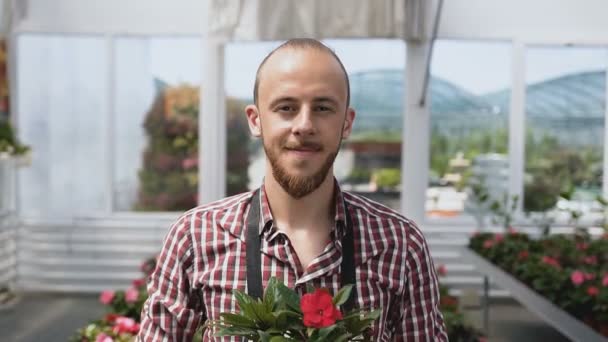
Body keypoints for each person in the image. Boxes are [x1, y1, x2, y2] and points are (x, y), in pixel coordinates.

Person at [138, 38, 447, 341]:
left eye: (323, 108)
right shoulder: (195, 237)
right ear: (256, 120)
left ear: (347, 122)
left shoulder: (400, 244)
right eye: (286, 107)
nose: (304, 125)